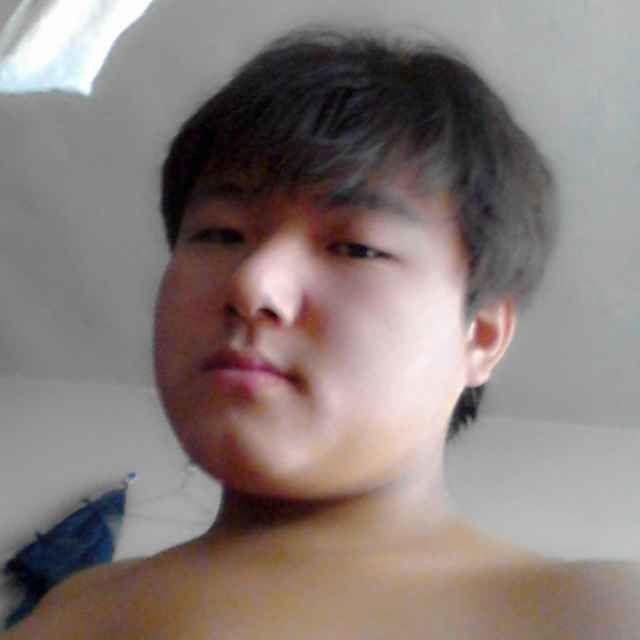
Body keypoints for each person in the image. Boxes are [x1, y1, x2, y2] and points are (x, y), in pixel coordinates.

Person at [6, 25, 639, 640]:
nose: (252, 283)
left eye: (355, 248)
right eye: (220, 234)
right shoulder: (70, 613)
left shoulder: (596, 615)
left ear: (480, 336)